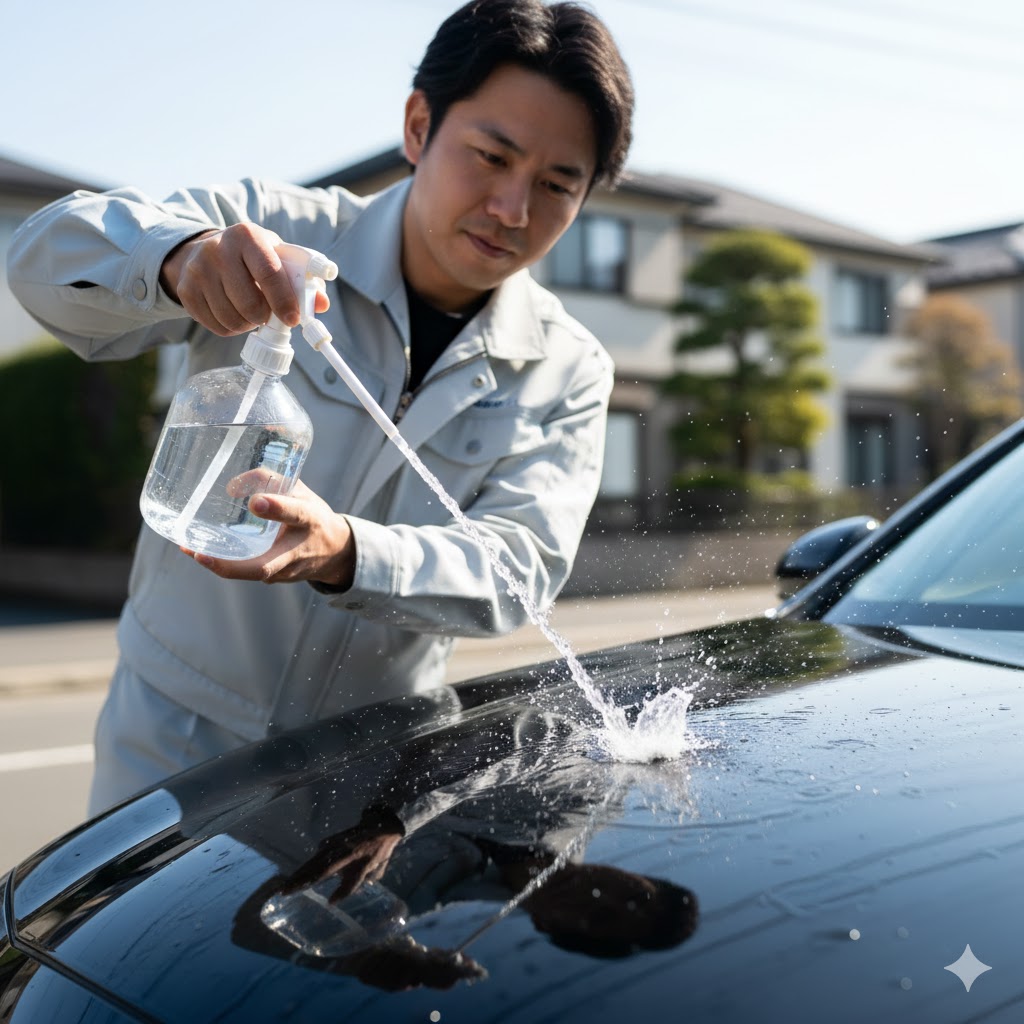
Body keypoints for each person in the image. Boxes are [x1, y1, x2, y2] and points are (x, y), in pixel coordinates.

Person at [7, 0, 635, 817]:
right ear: (419, 126)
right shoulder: (276, 232)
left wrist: (345, 552)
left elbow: (520, 573)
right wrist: (175, 259)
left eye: (557, 185)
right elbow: (39, 256)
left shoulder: (569, 368)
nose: (512, 209)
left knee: (325, 950)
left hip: (370, 772)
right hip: (172, 739)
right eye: (491, 155)